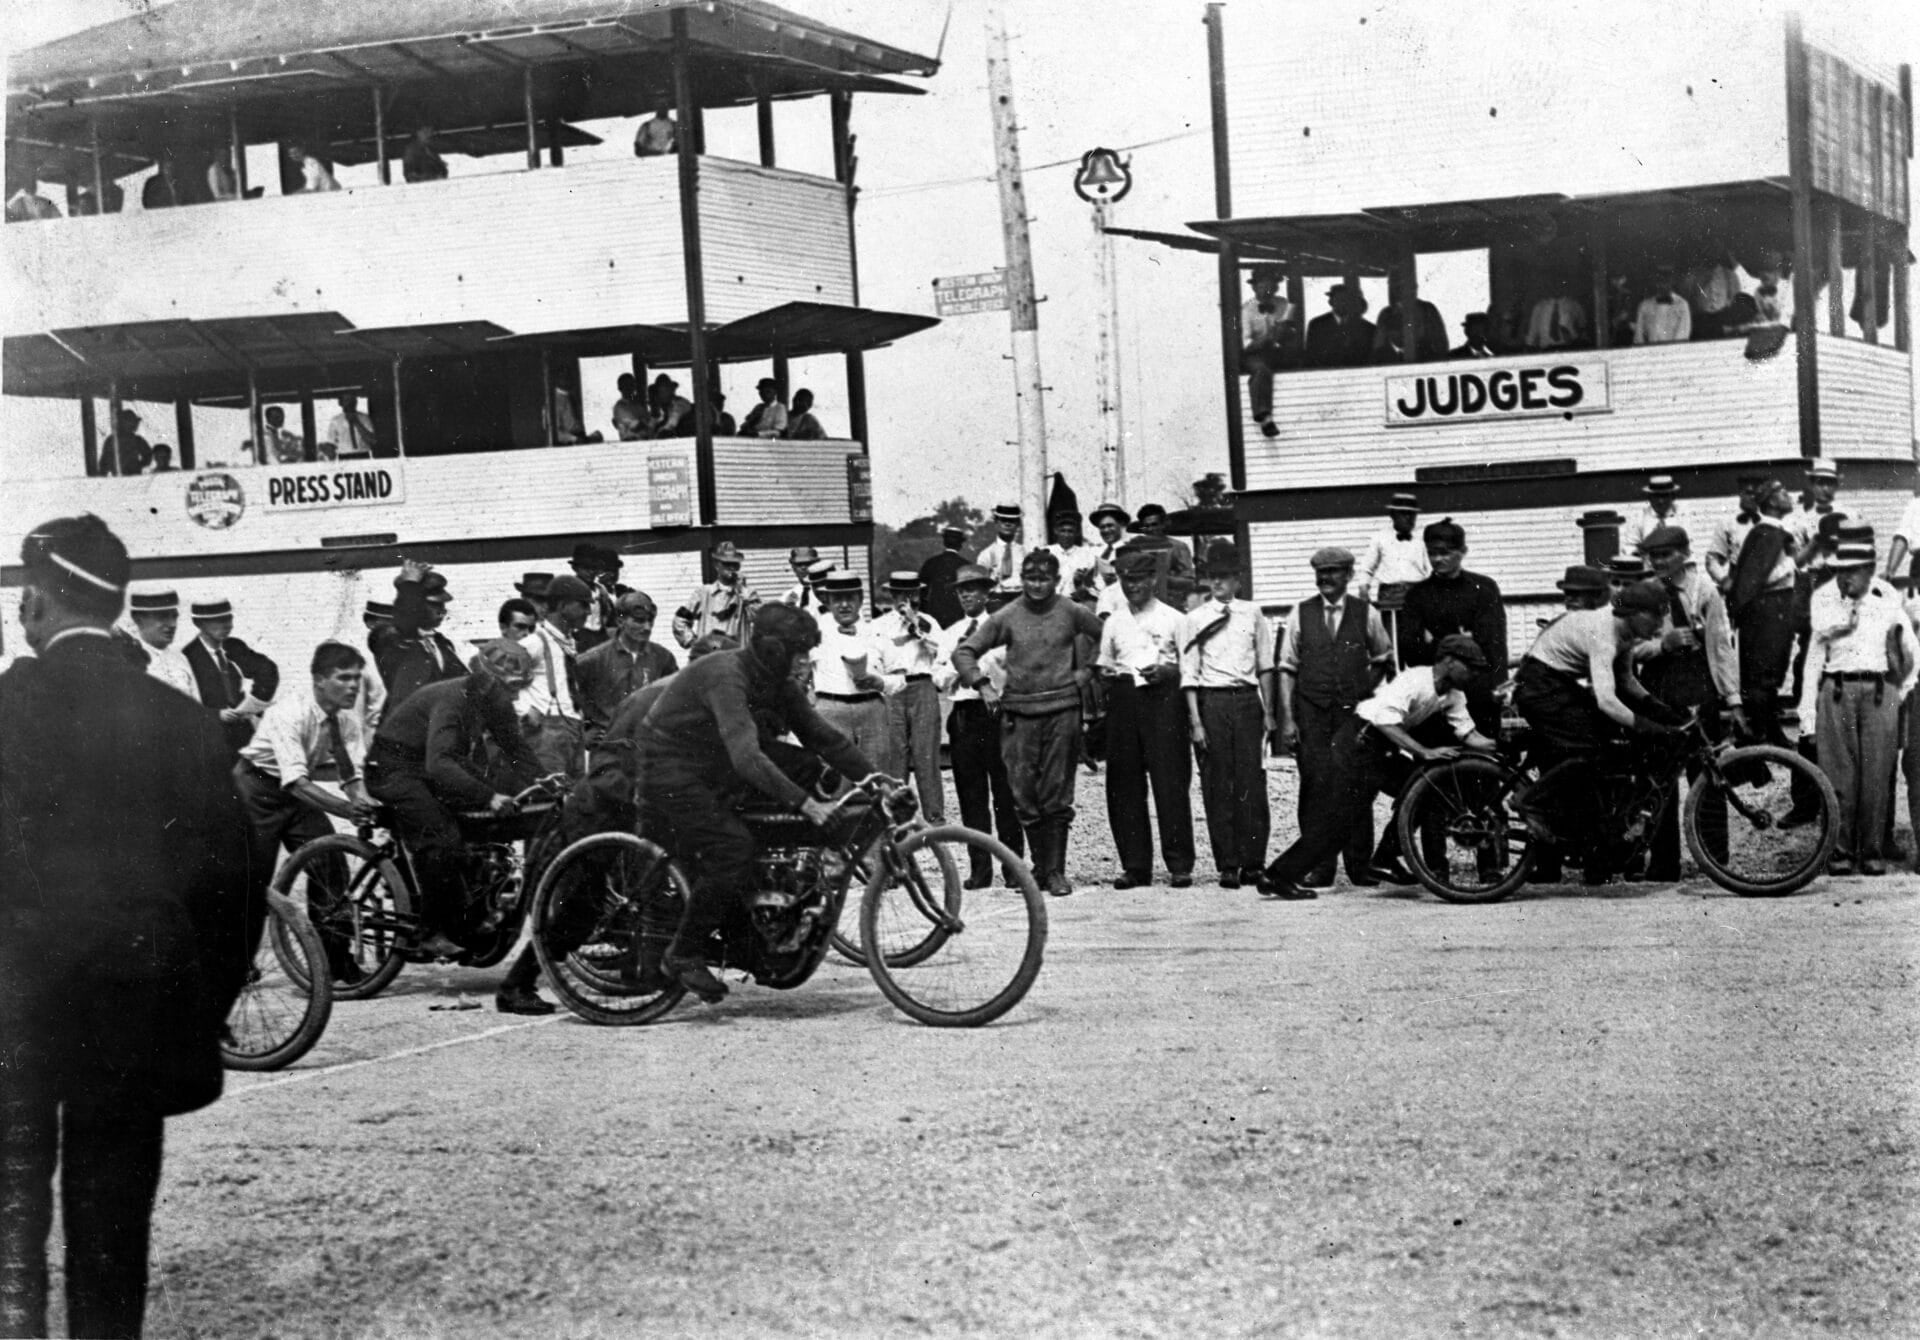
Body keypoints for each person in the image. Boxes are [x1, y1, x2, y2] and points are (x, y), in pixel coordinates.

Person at [0, 515, 256, 1340]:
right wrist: (199, 1003)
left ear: (36, 601)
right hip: (134, 1004)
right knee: (113, 1223)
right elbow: (230, 888)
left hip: (15, 1009)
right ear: (113, 606)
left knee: (11, 1220)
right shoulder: (181, 723)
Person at [636, 604, 873, 1001]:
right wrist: (806, 804)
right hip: (670, 769)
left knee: (786, 796)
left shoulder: (776, 679)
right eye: (799, 652)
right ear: (774, 649)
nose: (805, 661)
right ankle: (684, 952)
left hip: (712, 764)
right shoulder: (726, 675)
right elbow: (747, 758)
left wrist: (879, 781)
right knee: (734, 847)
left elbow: (824, 738)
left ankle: (758, 918)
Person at [1258, 635, 1497, 900]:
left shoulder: (1454, 695)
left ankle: (1384, 857)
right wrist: (1424, 752)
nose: (1475, 674)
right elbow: (1385, 722)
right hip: (1358, 742)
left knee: (1427, 792)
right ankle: (1278, 876)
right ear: (1449, 661)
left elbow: (1469, 735)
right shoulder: (1416, 680)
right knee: (1340, 824)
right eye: (1470, 667)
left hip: (1381, 749)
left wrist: (1499, 745)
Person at [367, 638, 543, 962]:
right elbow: (440, 763)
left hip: (428, 768)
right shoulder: (455, 698)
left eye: (520, 687)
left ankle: (470, 917)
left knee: (481, 829)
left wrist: (546, 784)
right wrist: (489, 795)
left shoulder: (495, 702)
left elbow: (517, 750)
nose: (515, 695)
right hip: (394, 769)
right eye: (510, 687)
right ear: (487, 681)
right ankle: (428, 933)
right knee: (443, 839)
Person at [954, 550, 1104, 896]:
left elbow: (1106, 636)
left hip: (1062, 711)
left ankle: (1056, 872)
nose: (1037, 585)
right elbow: (964, 652)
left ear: (1056, 580)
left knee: (1056, 794)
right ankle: (1038, 866)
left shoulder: (1070, 610)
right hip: (1019, 715)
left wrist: (1088, 671)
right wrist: (983, 685)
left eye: (1044, 578)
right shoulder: (1007, 615)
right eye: (1031, 578)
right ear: (1022, 580)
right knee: (1024, 795)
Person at [233, 642, 380, 982]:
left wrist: (360, 802)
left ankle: (335, 961)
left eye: (357, 678)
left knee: (330, 861)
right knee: (252, 877)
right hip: (254, 791)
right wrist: (347, 808)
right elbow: (296, 782)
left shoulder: (345, 721)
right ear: (319, 680)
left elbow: (350, 774)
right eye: (343, 678)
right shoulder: (289, 712)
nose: (353, 686)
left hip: (293, 794)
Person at [1511, 581, 1672, 844]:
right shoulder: (1604, 635)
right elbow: (1607, 701)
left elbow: (1626, 680)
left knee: (1607, 742)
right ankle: (1529, 801)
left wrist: (1660, 711)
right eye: (1655, 616)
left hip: (1557, 682)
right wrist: (1643, 725)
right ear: (1634, 613)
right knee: (1587, 749)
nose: (1659, 626)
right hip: (1539, 684)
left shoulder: (1625, 633)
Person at [1273, 546, 1395, 889]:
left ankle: (1359, 865)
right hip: (1311, 714)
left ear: (1349, 575)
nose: (1325, 578)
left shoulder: (1365, 612)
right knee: (1315, 786)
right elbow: (1287, 668)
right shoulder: (1301, 612)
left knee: (1356, 785)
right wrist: (1289, 720)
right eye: (1320, 572)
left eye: (1333, 572)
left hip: (1351, 716)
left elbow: (1383, 657)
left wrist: (1363, 694)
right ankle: (1319, 867)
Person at [1798, 539, 1914, 876]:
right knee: (1838, 775)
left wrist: (1901, 692)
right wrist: (1807, 714)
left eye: (1852, 571)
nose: (1844, 577)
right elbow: (1813, 657)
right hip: (1836, 689)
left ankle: (1872, 850)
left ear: (1870, 571)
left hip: (1880, 690)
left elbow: (1911, 649)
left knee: (1877, 775)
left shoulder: (1887, 597)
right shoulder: (1823, 598)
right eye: (1839, 570)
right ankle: (1839, 850)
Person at [1634, 525, 1742, 880]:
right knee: (1658, 776)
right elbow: (1619, 646)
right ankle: (1663, 863)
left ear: (1684, 553)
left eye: (1665, 555)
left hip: (1696, 686)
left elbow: (1720, 646)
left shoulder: (1705, 590)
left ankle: (1716, 861)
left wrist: (1732, 698)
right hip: (1655, 689)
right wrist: (1660, 645)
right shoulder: (1637, 593)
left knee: (1708, 773)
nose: (1659, 563)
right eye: (1653, 557)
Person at [1180, 541, 1277, 888]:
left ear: (1238, 579)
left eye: (1225, 577)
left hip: (1248, 701)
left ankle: (1254, 861)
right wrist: (1196, 722)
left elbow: (1266, 665)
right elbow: (1189, 673)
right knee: (1217, 784)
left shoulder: (1253, 613)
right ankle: (1228, 863)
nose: (1218, 584)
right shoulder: (1195, 619)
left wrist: (1270, 712)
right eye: (1212, 577)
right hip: (1212, 702)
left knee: (1251, 782)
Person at [1096, 549, 1195, 887]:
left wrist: (1169, 671)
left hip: (1165, 700)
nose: (1133, 586)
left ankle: (1179, 864)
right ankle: (1136, 866)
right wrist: (1107, 677)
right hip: (1125, 700)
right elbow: (1105, 663)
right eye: (1126, 580)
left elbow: (1192, 666)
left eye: (1139, 579)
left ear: (1153, 580)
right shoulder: (1114, 620)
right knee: (1124, 784)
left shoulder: (1174, 619)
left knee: (1170, 782)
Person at [933, 565, 1024, 887]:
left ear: (987, 593)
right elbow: (939, 679)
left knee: (1005, 793)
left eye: (973, 589)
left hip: (996, 712)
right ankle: (980, 870)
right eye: (961, 590)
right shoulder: (950, 632)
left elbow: (1007, 672)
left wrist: (978, 662)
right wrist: (960, 660)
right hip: (964, 714)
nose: (967, 595)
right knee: (971, 796)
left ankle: (1013, 869)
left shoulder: (1001, 628)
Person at [1401, 517, 1506, 736]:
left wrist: (1498, 686)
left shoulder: (1483, 588)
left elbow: (1493, 644)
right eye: (1432, 553)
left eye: (1445, 553)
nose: (1438, 559)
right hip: (1439, 690)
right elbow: (1409, 649)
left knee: (1484, 755)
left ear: (1463, 551)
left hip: (1480, 689)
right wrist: (1459, 643)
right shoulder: (1418, 595)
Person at [1725, 477, 1802, 748]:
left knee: (1771, 672)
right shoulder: (1766, 533)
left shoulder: (1774, 532)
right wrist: (1793, 561)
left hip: (1775, 611)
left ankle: (1770, 730)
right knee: (1763, 673)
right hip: (1766, 612)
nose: (1788, 495)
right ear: (1770, 500)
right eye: (1782, 492)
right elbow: (1760, 578)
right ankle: (1761, 733)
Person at [809, 569, 900, 775]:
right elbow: (799, 672)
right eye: (837, 599)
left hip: (871, 710)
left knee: (877, 777)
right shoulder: (815, 634)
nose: (844, 605)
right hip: (830, 711)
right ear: (828, 602)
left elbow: (900, 677)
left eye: (850, 598)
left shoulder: (877, 632)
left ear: (860, 600)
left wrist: (880, 683)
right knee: (835, 780)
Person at [873, 574, 945, 822]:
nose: (906, 599)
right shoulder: (879, 625)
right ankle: (896, 820)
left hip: (922, 685)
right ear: (892, 596)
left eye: (911, 593)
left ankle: (935, 818)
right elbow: (875, 659)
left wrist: (915, 623)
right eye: (900, 594)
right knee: (895, 756)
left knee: (926, 755)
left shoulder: (929, 622)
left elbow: (941, 652)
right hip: (893, 689)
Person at [576, 590, 678, 744]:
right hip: (609, 746)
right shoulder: (595, 658)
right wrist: (584, 731)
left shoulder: (663, 658)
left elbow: (675, 699)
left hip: (649, 746)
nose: (647, 627)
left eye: (651, 621)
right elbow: (571, 693)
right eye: (639, 621)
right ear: (620, 621)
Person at [518, 574, 592, 779]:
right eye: (583, 605)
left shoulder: (570, 643)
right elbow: (496, 679)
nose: (588, 612)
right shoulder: (534, 642)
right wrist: (524, 709)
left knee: (575, 799)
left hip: (574, 728)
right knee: (550, 798)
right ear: (562, 605)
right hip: (547, 732)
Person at [183, 597, 279, 752]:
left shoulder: (234, 646)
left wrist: (254, 702)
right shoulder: (187, 657)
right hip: (210, 740)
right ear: (198, 623)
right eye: (218, 620)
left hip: (243, 735)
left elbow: (267, 670)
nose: (227, 625)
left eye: (228, 618)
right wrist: (216, 715)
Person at [1354, 492, 1430, 666]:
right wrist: (1364, 590)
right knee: (1391, 646)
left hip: (1417, 596)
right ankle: (1394, 682)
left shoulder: (1422, 540)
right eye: (1404, 514)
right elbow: (1367, 568)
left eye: (1412, 514)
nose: (1409, 518)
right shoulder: (1380, 538)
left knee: (1416, 645)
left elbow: (1430, 570)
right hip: (1389, 597)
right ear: (1393, 515)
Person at [374, 567, 463, 710]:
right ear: (416, 604)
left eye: (443, 605)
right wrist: (410, 586)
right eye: (435, 605)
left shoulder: (441, 643)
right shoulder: (390, 638)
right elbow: (405, 626)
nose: (443, 611)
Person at [673, 540, 762, 647]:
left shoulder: (748, 594)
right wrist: (694, 643)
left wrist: (742, 590)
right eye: (727, 564)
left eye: (735, 564)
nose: (732, 568)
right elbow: (679, 621)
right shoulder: (703, 593)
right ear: (716, 565)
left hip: (736, 658)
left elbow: (760, 619)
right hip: (710, 658)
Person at [1241, 265, 1292, 438]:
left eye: (1270, 286)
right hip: (1256, 354)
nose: (1266, 290)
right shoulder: (1246, 310)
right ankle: (1264, 417)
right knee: (1261, 371)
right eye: (1262, 286)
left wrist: (1282, 333)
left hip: (1280, 352)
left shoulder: (1284, 304)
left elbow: (1289, 327)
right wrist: (1267, 338)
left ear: (1276, 287)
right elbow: (1246, 343)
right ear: (1254, 287)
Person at [127, 588, 198, 699]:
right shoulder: (127, 660)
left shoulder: (181, 660)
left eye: (174, 617)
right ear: (138, 619)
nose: (172, 624)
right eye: (163, 617)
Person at [1132, 503, 1196, 606]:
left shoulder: (1178, 547)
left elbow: (1189, 582)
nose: (1150, 529)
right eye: (1146, 526)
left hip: (1171, 604)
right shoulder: (1137, 549)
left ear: (1163, 524)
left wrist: (1163, 579)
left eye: (1154, 524)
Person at [1305, 282, 1376, 368]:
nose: (1343, 303)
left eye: (1347, 299)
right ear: (1330, 302)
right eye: (1339, 299)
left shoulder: (1368, 328)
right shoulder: (1317, 325)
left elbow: (1371, 359)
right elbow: (1311, 357)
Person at [568, 543, 623, 652]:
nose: (590, 572)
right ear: (575, 568)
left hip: (599, 637)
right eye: (585, 568)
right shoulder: (570, 589)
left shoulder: (601, 590)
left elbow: (609, 615)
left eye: (594, 568)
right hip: (578, 638)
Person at [1620, 474, 1691, 556]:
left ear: (1673, 496)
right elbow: (1630, 546)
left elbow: (1689, 545)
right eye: (1656, 496)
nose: (1660, 501)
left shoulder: (1681, 515)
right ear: (1649, 497)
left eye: (1665, 496)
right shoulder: (1638, 517)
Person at [915, 528, 969, 627]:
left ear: (944, 542)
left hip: (933, 615)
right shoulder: (966, 566)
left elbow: (921, 592)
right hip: (958, 616)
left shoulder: (931, 563)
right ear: (960, 545)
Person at [1634, 267, 1692, 344]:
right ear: (1655, 283)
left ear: (1672, 282)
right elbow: (1639, 335)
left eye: (1667, 281)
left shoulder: (1681, 305)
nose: (1663, 285)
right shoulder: (1645, 305)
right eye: (1660, 281)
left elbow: (1683, 333)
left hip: (1674, 351)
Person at [982, 503, 1027, 592]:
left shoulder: (1025, 553)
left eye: (1012, 520)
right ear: (996, 521)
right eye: (1003, 520)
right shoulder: (986, 555)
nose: (1007, 524)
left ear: (1018, 524)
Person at [1088, 502, 1131, 589]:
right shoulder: (1097, 552)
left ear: (1121, 525)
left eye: (1110, 526)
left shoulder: (1128, 551)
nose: (1106, 530)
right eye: (1102, 527)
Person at [102, 407, 152, 476]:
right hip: (117, 477)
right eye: (128, 422)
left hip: (134, 476)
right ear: (121, 424)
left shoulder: (137, 440)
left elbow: (148, 455)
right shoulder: (111, 440)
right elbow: (104, 461)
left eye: (133, 422)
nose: (132, 425)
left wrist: (138, 466)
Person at [325, 395, 375, 459]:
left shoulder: (365, 418)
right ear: (340, 403)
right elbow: (331, 443)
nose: (350, 404)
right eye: (347, 400)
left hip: (363, 455)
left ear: (356, 402)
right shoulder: (335, 421)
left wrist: (356, 422)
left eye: (353, 400)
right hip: (344, 456)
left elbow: (372, 440)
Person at [612, 374, 651, 440]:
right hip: (630, 443)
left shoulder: (637, 404)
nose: (630, 388)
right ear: (620, 388)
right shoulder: (620, 407)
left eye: (631, 385)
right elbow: (636, 426)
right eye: (626, 385)